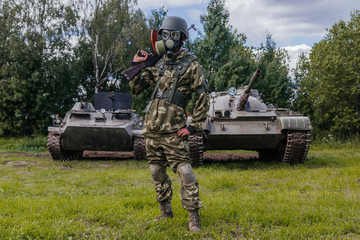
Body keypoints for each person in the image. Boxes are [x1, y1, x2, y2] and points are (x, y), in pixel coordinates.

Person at [128, 16, 209, 233]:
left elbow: (203, 97)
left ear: (182, 38)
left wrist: (194, 126)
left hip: (174, 131)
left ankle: (193, 218)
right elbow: (137, 88)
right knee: (156, 172)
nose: (168, 39)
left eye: (173, 35)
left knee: (186, 172)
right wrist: (136, 65)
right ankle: (165, 211)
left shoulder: (192, 65)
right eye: (165, 35)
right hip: (152, 129)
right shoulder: (160, 63)